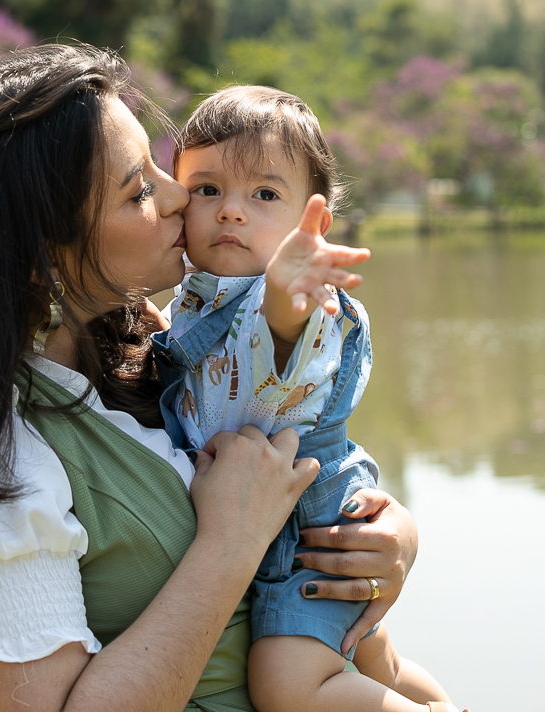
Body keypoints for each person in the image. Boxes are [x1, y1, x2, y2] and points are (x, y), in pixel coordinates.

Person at [0, 44, 424, 712]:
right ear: (38, 257)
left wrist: (380, 538)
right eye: (139, 190)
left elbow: (300, 436)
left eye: (157, 168)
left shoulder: (150, 338)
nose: (179, 196)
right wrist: (230, 543)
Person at [156, 87, 461, 712]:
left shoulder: (304, 301)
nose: (231, 212)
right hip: (273, 519)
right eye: (207, 190)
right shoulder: (183, 303)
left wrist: (286, 297)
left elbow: (277, 350)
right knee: (380, 663)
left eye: (265, 195)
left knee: (289, 686)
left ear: (312, 223)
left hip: (309, 530)